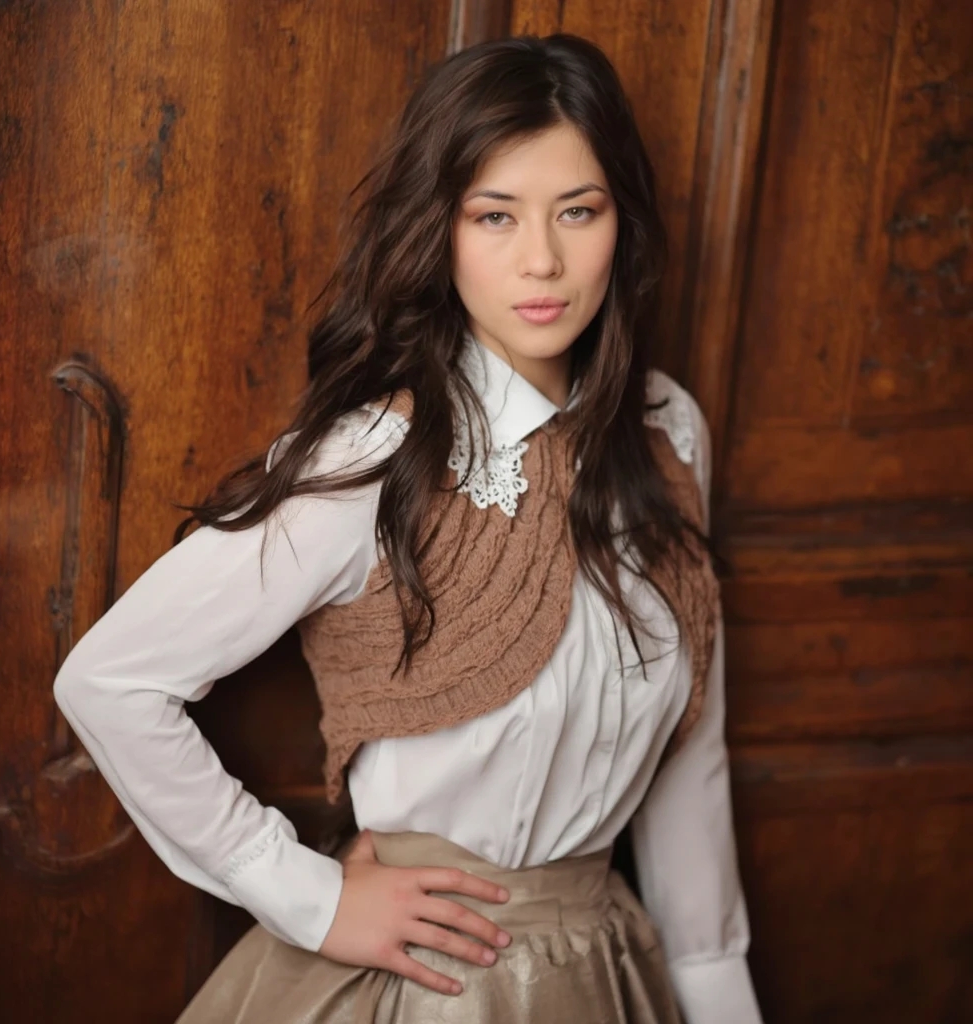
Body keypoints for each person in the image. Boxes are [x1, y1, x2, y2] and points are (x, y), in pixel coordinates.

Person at [53, 32, 763, 1024]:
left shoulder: (669, 433)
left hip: (605, 972)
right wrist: (308, 896)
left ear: (622, 226)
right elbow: (111, 679)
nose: (542, 259)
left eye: (578, 211)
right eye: (494, 215)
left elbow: (694, 761)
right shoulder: (375, 461)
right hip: (424, 984)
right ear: (444, 230)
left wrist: (721, 998)